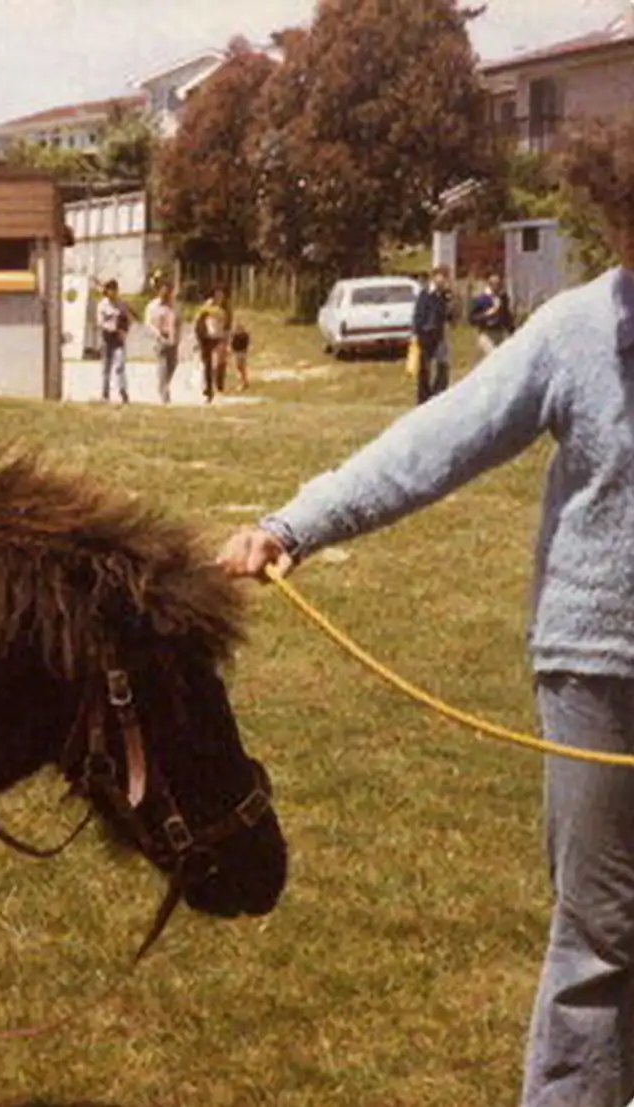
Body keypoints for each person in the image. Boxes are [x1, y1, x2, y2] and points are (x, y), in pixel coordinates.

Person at [217, 110, 634, 1107]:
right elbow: (436, 440)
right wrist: (294, 524)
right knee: (599, 939)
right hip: (596, 673)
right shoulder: (574, 332)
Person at [411, 265, 454, 404]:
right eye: (442, 276)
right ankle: (423, 398)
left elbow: (448, 315)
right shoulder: (425, 294)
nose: (444, 280)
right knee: (424, 369)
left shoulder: (443, 295)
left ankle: (438, 393)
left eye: (446, 277)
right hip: (425, 335)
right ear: (435, 277)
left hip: (438, 335)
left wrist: (449, 300)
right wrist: (417, 333)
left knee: (443, 365)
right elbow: (418, 315)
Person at [96, 278, 134, 403]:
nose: (113, 292)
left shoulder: (121, 304)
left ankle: (123, 391)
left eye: (115, 289)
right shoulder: (102, 305)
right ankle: (105, 394)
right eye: (110, 289)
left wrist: (124, 331)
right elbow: (100, 322)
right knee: (106, 368)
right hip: (107, 338)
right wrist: (111, 327)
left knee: (120, 366)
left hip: (119, 339)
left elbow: (128, 320)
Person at [146, 281, 180, 403]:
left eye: (168, 290)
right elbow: (149, 323)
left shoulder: (175, 305)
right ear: (159, 291)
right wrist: (158, 335)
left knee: (173, 365)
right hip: (159, 339)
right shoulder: (153, 306)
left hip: (173, 339)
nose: (166, 293)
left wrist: (177, 337)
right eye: (164, 290)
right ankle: (164, 392)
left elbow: (178, 321)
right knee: (163, 364)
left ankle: (164, 385)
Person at [194, 287, 229, 402]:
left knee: (218, 363)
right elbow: (198, 321)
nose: (220, 298)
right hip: (207, 339)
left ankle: (219, 385)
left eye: (222, 295)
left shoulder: (226, 308)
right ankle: (209, 390)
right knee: (208, 365)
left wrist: (227, 338)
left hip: (219, 338)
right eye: (217, 295)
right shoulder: (207, 307)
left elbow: (228, 325)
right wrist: (199, 337)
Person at [471, 272, 516, 359]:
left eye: (499, 284)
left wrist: (512, 331)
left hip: (499, 332)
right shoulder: (481, 299)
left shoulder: (503, 298)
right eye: (495, 284)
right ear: (490, 284)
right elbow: (472, 318)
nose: (498, 287)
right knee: (493, 357)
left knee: (502, 358)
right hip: (487, 333)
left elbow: (506, 315)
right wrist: (486, 315)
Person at [229, 318, 251, 391]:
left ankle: (243, 382)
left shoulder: (241, 336)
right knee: (241, 368)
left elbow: (234, 344)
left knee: (240, 368)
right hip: (239, 353)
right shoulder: (240, 335)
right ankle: (244, 381)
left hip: (240, 353)